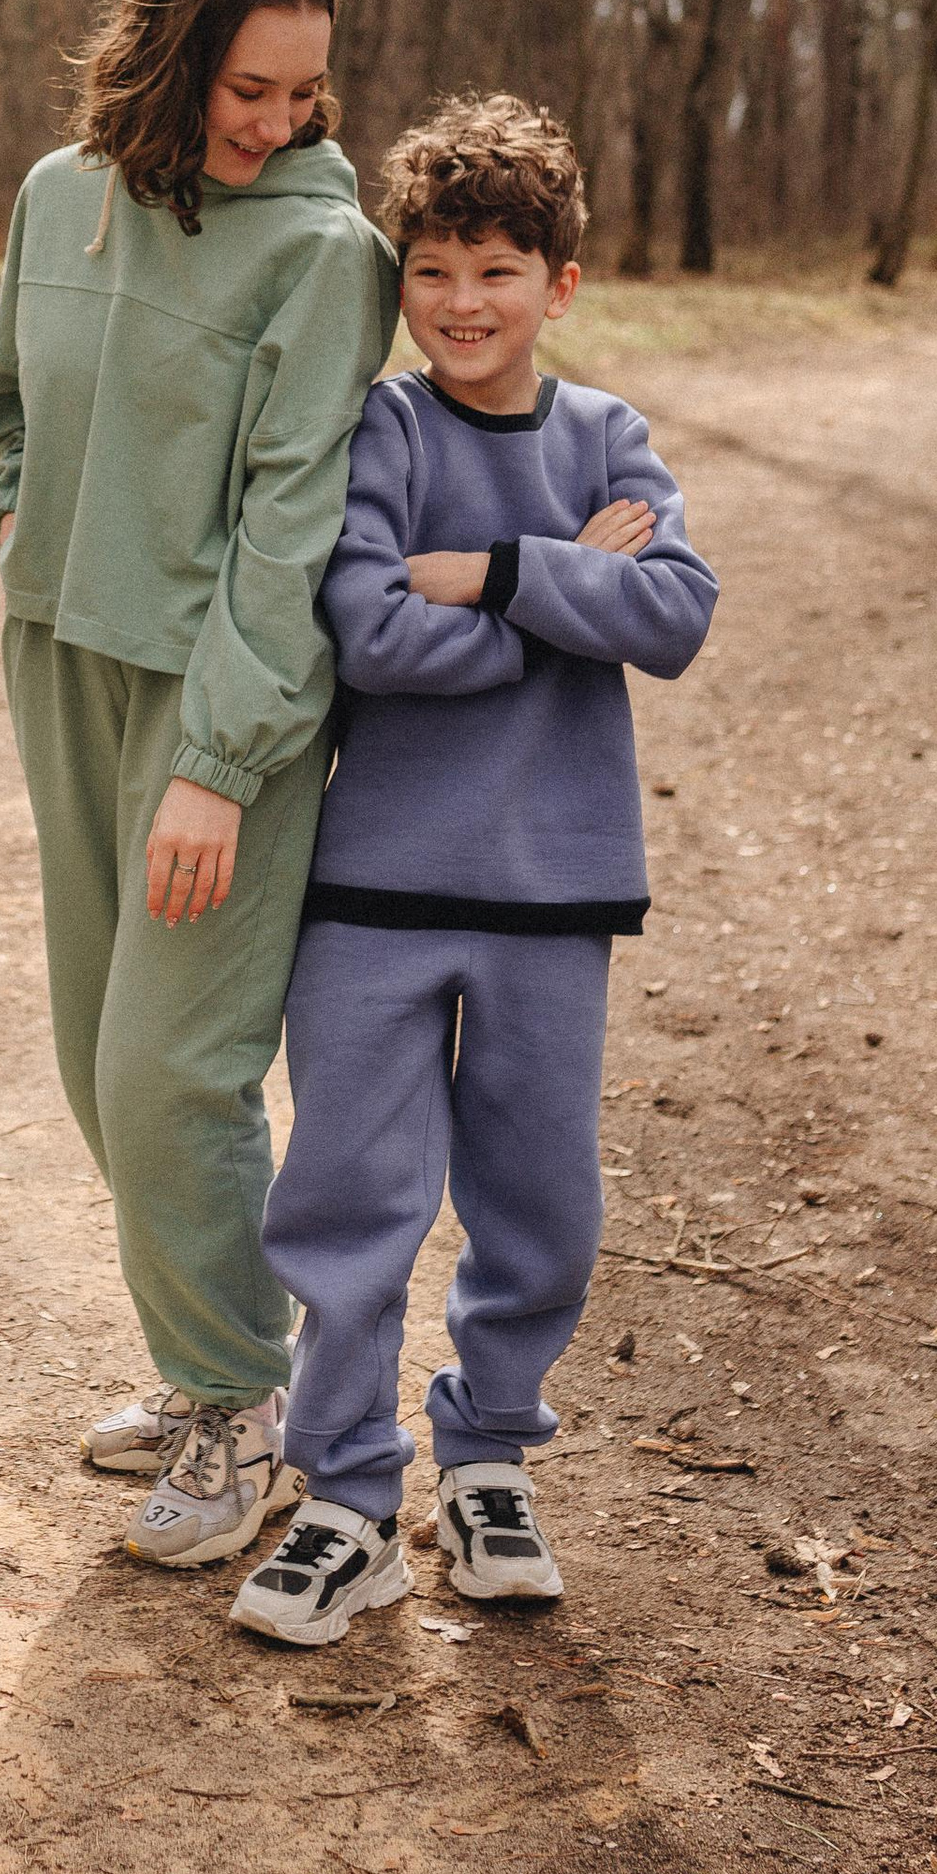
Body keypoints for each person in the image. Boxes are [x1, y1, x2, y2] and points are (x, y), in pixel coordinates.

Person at [232, 91, 717, 1646]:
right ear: (403, 279)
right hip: (373, 887)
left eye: (498, 271)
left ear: (558, 285)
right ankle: (347, 1493)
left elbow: (679, 616)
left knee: (539, 1200)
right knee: (349, 1196)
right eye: (433, 268)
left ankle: (491, 1453)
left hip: (554, 893)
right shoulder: (385, 425)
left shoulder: (608, 436)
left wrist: (497, 570)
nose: (461, 302)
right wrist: (572, 585)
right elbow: (370, 628)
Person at [0, 0, 401, 1570]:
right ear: (166, 56)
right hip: (60, 659)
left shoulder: (326, 253)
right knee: (100, 1059)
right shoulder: (54, 200)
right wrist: (27, 521)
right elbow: (8, 396)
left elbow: (291, 535)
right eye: (250, 88)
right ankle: (202, 1358)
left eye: (303, 92)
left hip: (225, 701)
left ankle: (244, 1402)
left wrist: (219, 765)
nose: (281, 122)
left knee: (171, 1070)